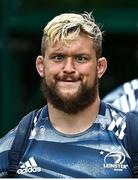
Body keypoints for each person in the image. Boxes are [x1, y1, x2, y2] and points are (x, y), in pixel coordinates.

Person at [0, 12, 138, 178]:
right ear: (41, 66)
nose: (68, 68)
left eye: (80, 58)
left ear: (100, 67)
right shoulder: (12, 149)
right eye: (58, 57)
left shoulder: (131, 137)